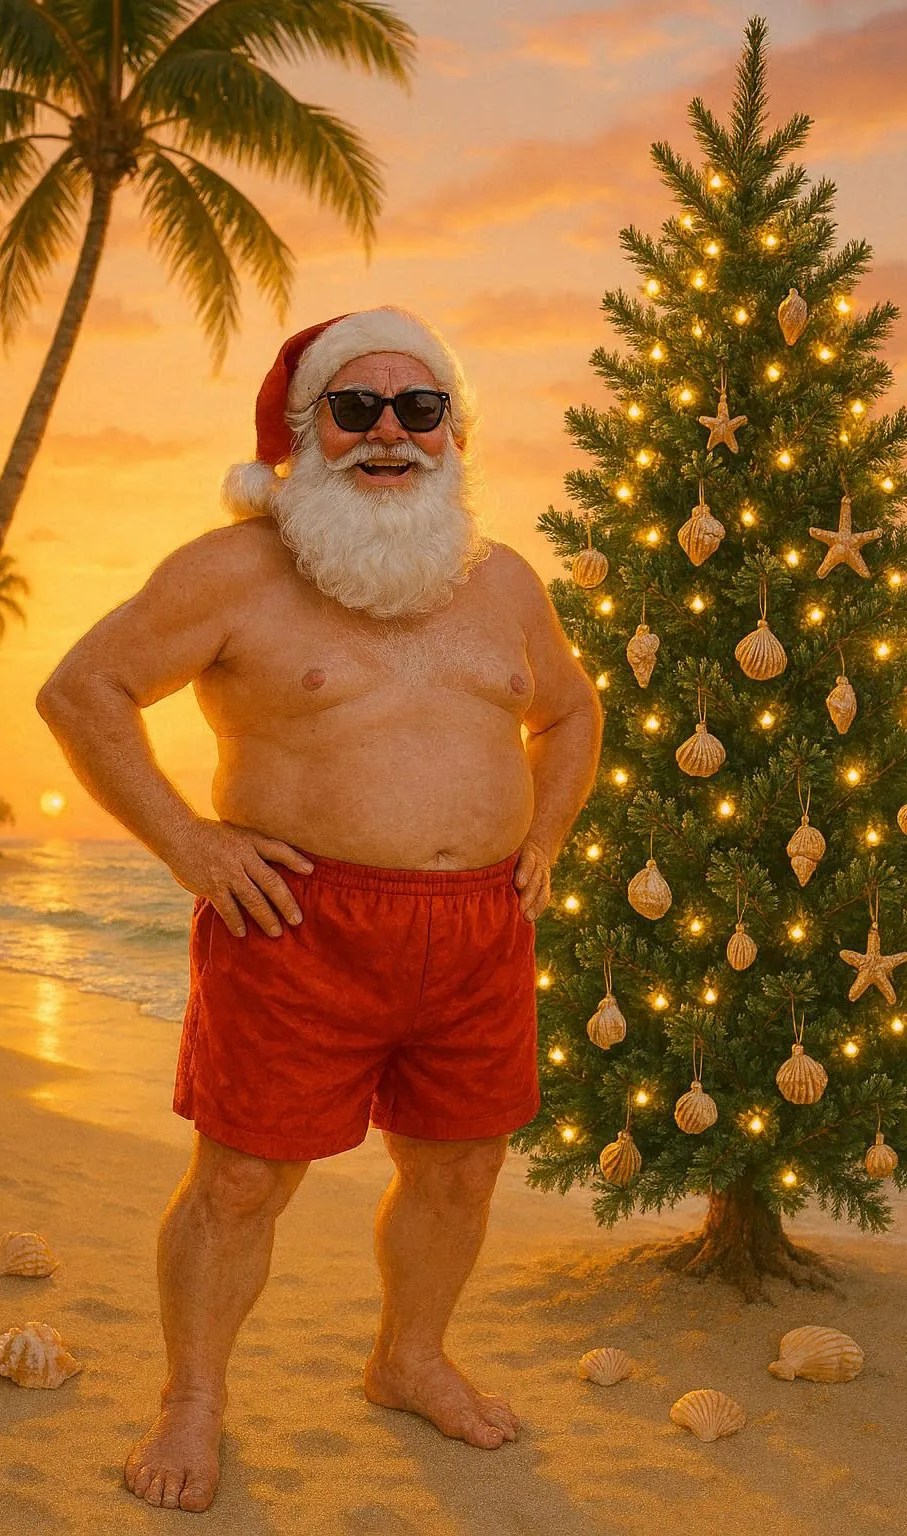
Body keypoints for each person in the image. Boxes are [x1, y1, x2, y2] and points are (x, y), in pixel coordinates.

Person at [36, 305, 603, 1513]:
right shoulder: (231, 570)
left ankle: (408, 1358)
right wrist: (187, 841)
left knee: (461, 1168)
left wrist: (545, 837)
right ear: (306, 430)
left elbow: (570, 711)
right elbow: (84, 688)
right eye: (357, 409)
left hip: (477, 934)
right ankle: (192, 1398)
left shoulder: (502, 582)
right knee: (242, 1182)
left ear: (453, 428)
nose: (390, 433)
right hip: (296, 925)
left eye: (420, 408)